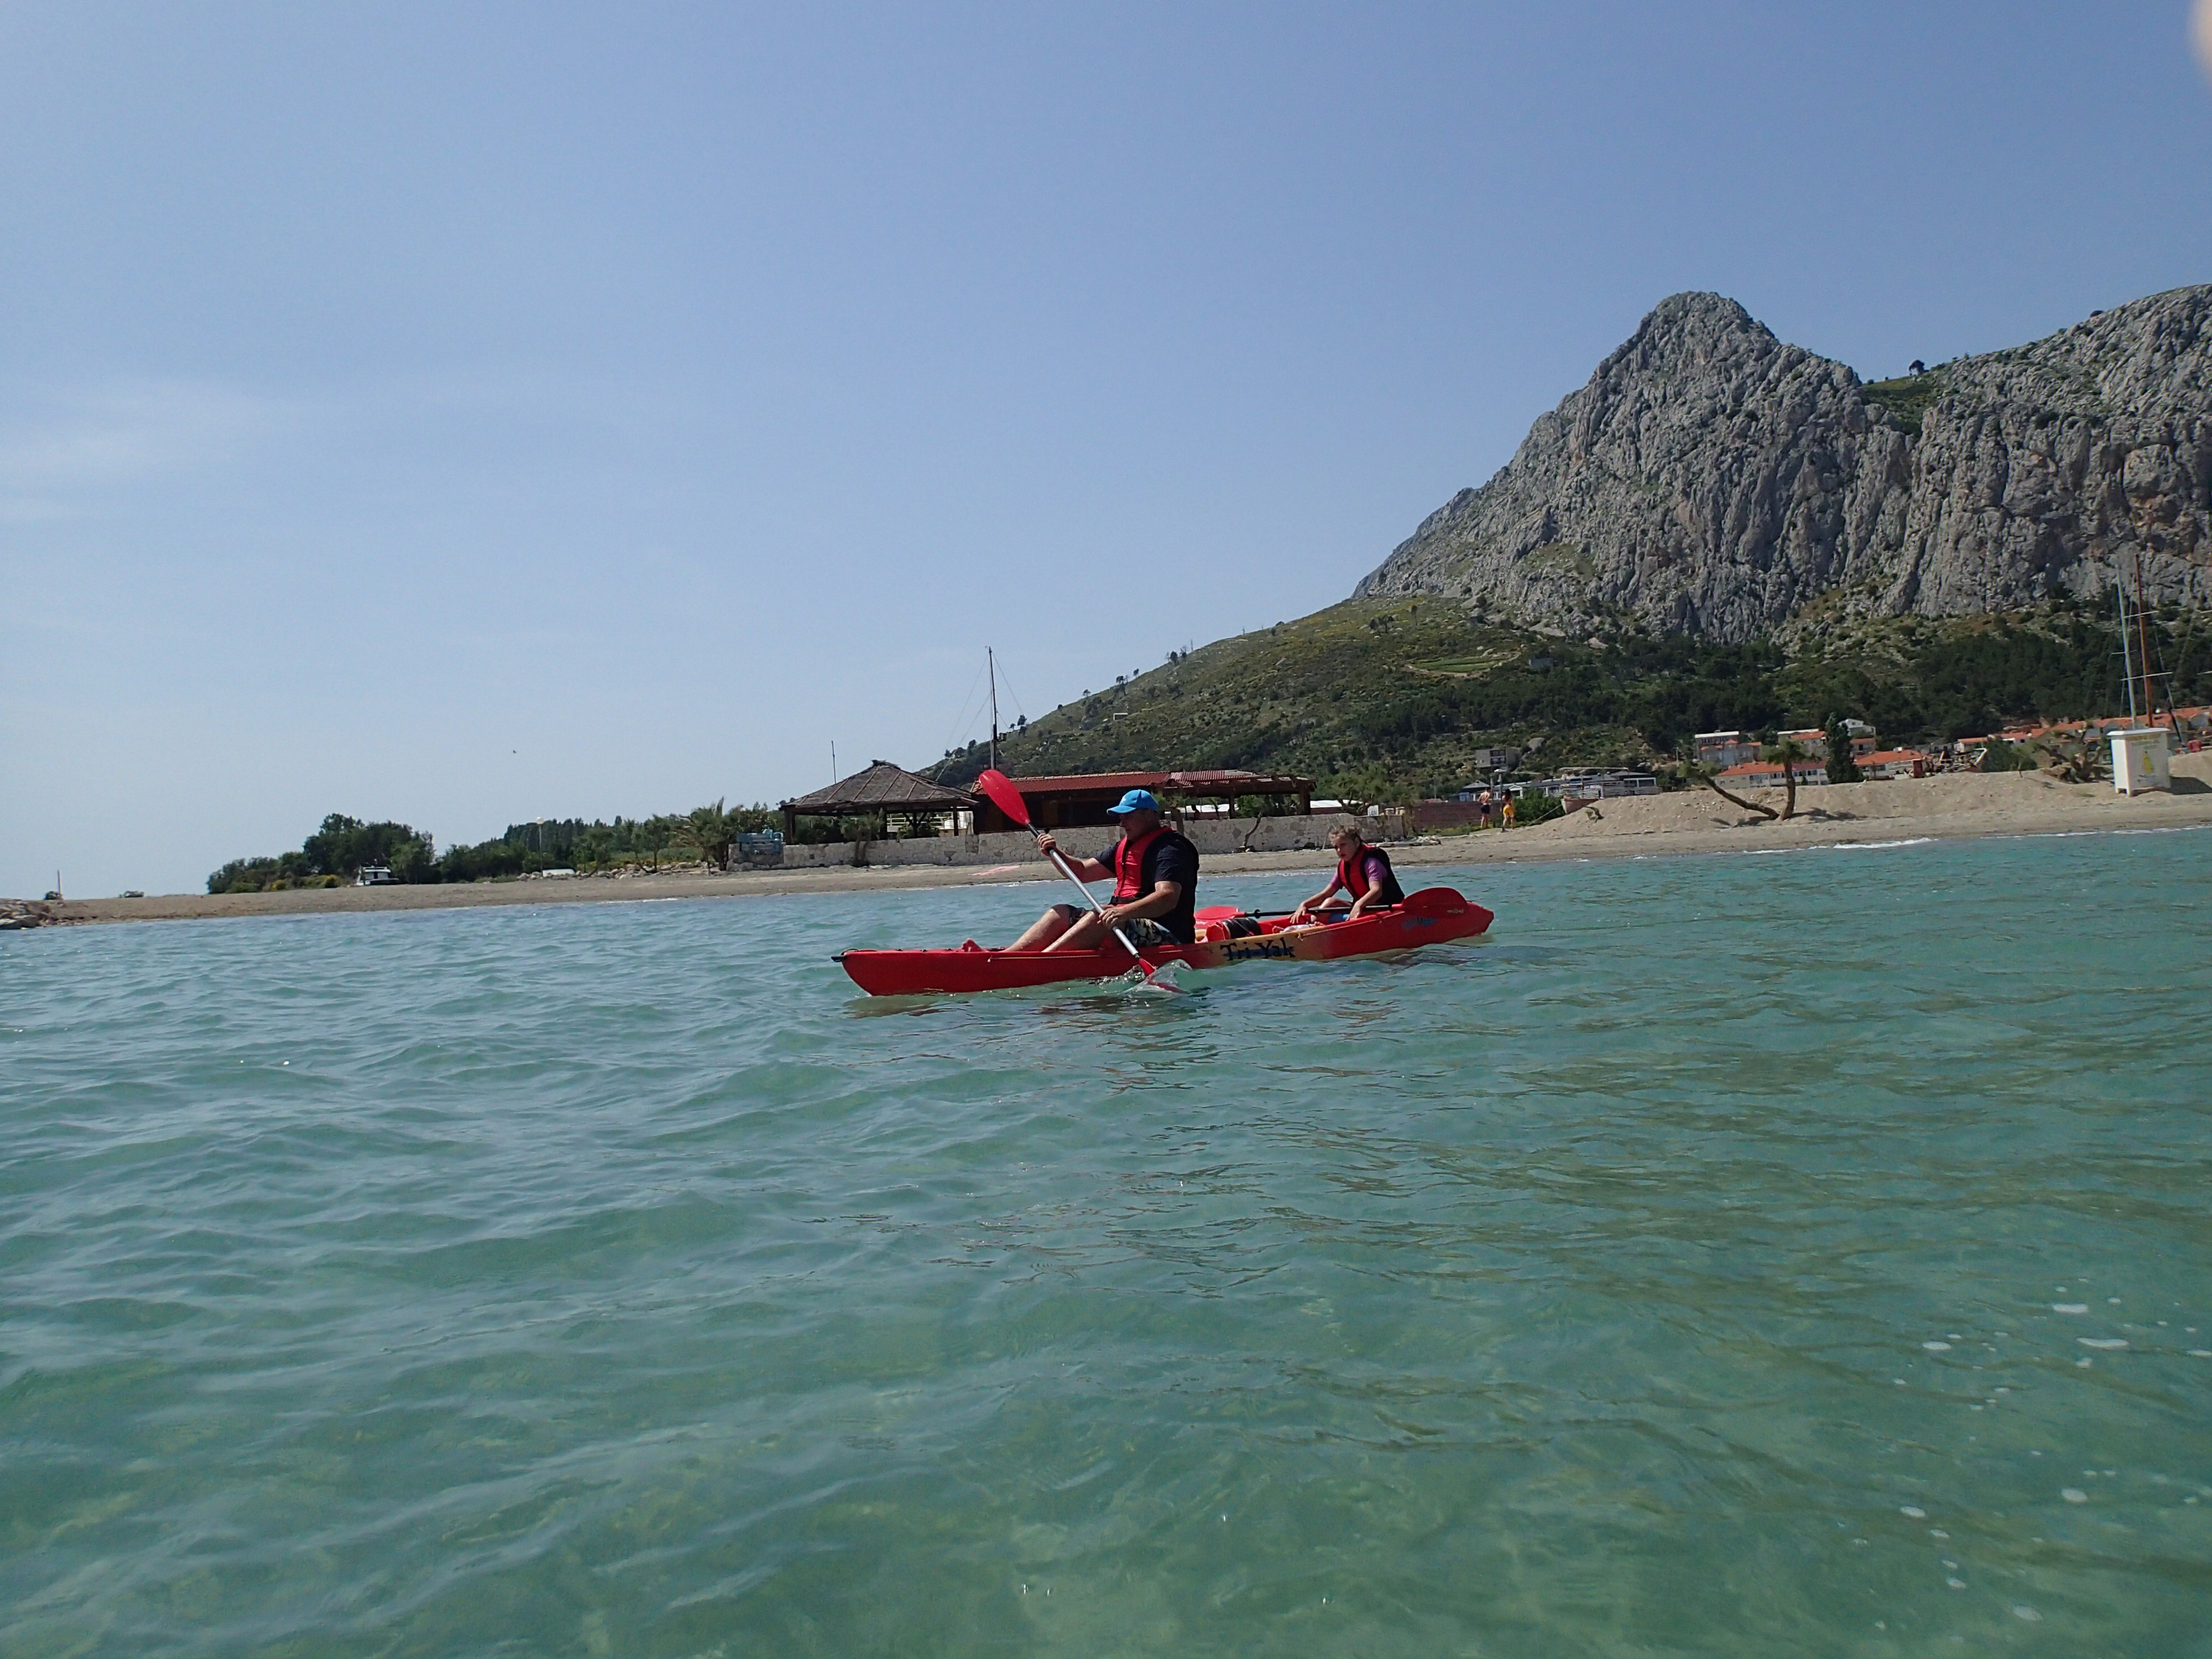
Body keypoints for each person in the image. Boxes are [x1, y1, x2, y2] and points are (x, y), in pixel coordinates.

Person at [1008, 789, 1200, 952]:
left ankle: (1042, 962)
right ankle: (1009, 957)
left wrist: (1122, 913)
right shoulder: (1124, 848)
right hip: (1123, 925)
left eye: (1128, 816)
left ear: (1149, 815)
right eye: (1121, 817)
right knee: (1060, 913)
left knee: (1102, 915)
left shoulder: (1171, 849)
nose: (1122, 823)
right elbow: (1082, 872)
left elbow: (1168, 897)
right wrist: (1055, 853)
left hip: (1167, 934)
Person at [1290, 823, 1406, 925]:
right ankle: (1310, 927)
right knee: (1330, 902)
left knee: (1352, 909)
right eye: (1336, 847)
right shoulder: (1344, 867)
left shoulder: (1371, 862)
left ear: (1356, 843)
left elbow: (1376, 891)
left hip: (1387, 909)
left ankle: (1316, 929)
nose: (1340, 851)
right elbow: (1326, 894)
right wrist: (1305, 904)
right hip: (1364, 907)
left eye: (1343, 845)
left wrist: (1359, 905)